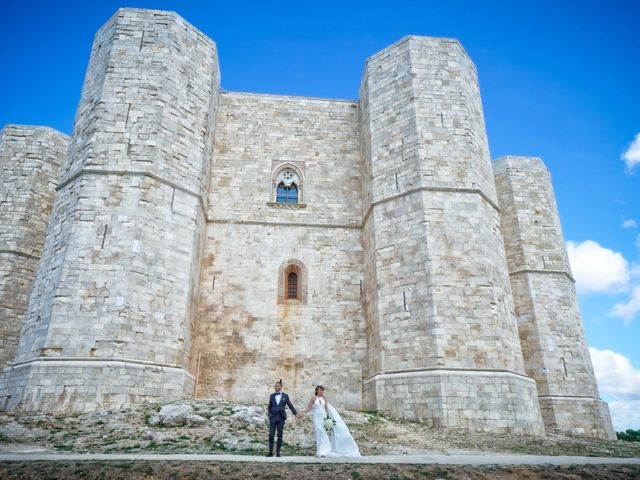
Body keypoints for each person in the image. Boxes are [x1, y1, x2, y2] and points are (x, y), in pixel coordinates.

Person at [298, 385, 361, 457]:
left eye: (322, 390)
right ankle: (320, 451)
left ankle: (326, 450)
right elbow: (309, 408)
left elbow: (326, 408)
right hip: (316, 416)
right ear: (317, 391)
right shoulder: (313, 398)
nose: (321, 391)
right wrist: (303, 413)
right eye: (320, 390)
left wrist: (327, 418)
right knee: (319, 432)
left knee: (323, 432)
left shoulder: (325, 398)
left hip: (323, 416)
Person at [266, 379, 298, 457]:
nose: (275, 387)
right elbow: (269, 406)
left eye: (276, 386)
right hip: (273, 417)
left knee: (280, 435)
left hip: (281, 417)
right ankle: (270, 452)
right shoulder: (272, 396)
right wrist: (270, 414)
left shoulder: (285, 396)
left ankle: (278, 453)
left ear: (280, 387)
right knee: (271, 435)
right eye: (275, 386)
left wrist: (295, 413)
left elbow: (290, 405)